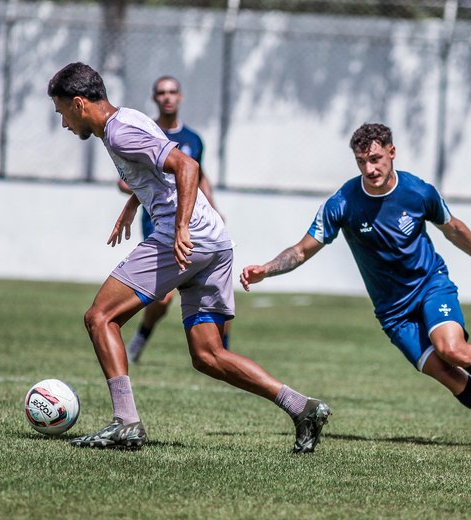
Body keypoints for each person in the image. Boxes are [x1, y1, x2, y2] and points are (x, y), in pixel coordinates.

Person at [47, 62, 330, 453]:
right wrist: (135, 202)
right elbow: (160, 167)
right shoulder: (127, 118)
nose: (64, 124)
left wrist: (179, 228)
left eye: (62, 112)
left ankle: (126, 423)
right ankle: (303, 408)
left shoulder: (119, 131)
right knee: (208, 355)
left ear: (79, 104)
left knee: (100, 317)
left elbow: (186, 165)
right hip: (215, 240)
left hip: (186, 237)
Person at [240, 123, 471, 453]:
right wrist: (266, 269)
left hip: (430, 286)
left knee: (450, 349)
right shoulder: (343, 203)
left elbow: (452, 228)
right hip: (394, 314)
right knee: (448, 375)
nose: (370, 169)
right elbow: (301, 250)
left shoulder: (418, 192)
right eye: (362, 162)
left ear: (392, 153)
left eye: (376, 159)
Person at [118, 76, 230, 364]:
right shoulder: (150, 135)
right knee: (163, 297)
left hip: (196, 226)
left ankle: (222, 352)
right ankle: (142, 337)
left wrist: (215, 208)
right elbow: (126, 180)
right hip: (159, 223)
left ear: (180, 97)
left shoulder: (194, 140)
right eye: (161, 93)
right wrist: (138, 187)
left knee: (213, 291)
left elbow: (197, 176)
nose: (167, 97)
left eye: (172, 92)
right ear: (155, 99)